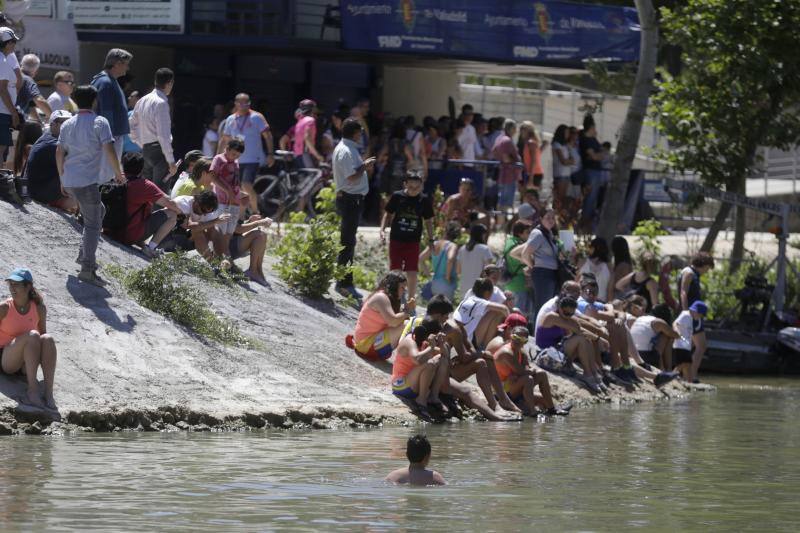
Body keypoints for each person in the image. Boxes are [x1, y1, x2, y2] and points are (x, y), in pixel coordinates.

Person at [55, 85, 125, 287]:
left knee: (98, 211)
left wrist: (62, 178)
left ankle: (83, 255)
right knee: (94, 225)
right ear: (94, 101)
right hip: (86, 182)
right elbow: (109, 149)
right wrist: (118, 173)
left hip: (70, 180)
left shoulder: (68, 123)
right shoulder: (100, 122)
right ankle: (87, 269)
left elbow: (59, 152)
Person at [0, 268, 58, 409]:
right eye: (10, 284)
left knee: (48, 339)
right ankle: (32, 391)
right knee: (32, 335)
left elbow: (43, 337)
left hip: (26, 365)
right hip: (6, 361)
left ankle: (49, 393)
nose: (12, 288)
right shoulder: (4, 307)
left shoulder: (39, 308)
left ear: (28, 287)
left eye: (16, 284)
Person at [332, 117, 376, 301]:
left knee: (348, 241)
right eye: (360, 132)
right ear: (356, 133)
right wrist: (364, 166)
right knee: (348, 242)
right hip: (350, 200)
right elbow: (351, 177)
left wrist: (363, 166)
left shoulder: (347, 148)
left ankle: (344, 281)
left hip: (352, 199)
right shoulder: (346, 150)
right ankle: (344, 283)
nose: (361, 135)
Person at [111, 152, 182, 257]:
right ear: (141, 169)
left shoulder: (116, 178)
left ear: (123, 165)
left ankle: (143, 244)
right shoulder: (145, 185)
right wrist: (181, 212)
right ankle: (150, 248)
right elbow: (171, 204)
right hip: (128, 235)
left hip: (110, 230)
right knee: (172, 214)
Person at [490, 326, 570, 416]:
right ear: (511, 336)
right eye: (515, 337)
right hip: (501, 392)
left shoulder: (522, 352)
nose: (517, 341)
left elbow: (526, 369)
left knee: (542, 374)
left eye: (522, 339)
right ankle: (533, 411)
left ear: (525, 341)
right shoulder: (506, 352)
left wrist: (528, 371)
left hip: (514, 386)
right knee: (528, 379)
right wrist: (529, 371)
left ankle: (552, 409)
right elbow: (522, 372)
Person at [380, 171, 435, 300]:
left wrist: (431, 239)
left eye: (417, 187)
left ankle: (411, 299)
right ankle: (395, 297)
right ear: (405, 184)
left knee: (412, 271)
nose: (414, 190)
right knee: (395, 270)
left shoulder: (424, 200)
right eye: (411, 187)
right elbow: (387, 214)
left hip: (413, 241)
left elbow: (428, 221)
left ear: (421, 186)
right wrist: (382, 230)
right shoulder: (397, 196)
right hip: (396, 239)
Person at [217, 93, 274, 214]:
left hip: (252, 159)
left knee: (246, 184)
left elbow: (268, 136)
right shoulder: (231, 119)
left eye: (247, 103)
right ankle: (241, 215)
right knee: (238, 189)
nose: (244, 106)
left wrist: (270, 154)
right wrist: (218, 157)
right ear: (236, 104)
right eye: (241, 103)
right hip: (235, 159)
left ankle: (255, 211)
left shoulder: (257, 117)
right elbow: (225, 139)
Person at [536, 295, 604, 393]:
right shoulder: (551, 316)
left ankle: (594, 373)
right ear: (559, 308)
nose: (567, 316)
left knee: (586, 339)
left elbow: (578, 326)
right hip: (546, 353)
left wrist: (597, 333)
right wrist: (598, 338)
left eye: (571, 314)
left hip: (557, 351)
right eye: (566, 313)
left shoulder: (567, 318)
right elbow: (579, 330)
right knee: (581, 338)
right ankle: (588, 374)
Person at [129, 68, 177, 191]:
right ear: (170, 83)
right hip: (159, 151)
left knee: (147, 192)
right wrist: (171, 161)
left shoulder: (142, 100)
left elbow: (131, 125)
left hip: (146, 150)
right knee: (159, 193)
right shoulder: (161, 103)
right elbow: (163, 135)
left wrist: (141, 143)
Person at [350, 272, 416, 361]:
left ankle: (408, 360)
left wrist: (406, 309)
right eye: (402, 288)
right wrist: (407, 311)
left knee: (408, 323)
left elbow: (394, 320)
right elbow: (393, 321)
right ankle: (406, 361)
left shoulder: (384, 297)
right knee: (407, 324)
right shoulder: (381, 297)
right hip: (365, 344)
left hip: (366, 342)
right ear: (394, 286)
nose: (404, 291)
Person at [391, 319, 449, 419]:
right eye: (436, 335)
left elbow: (445, 355)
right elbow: (416, 360)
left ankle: (433, 396)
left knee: (442, 360)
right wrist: (431, 347)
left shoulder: (424, 342)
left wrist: (441, 342)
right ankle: (421, 400)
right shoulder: (409, 341)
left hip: (413, 384)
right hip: (401, 386)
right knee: (430, 363)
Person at [91, 48, 132, 183]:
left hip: (110, 138)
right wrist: (109, 140)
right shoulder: (106, 82)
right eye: (126, 64)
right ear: (117, 64)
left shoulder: (107, 81)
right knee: (106, 177)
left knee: (107, 175)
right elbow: (106, 114)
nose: (127, 68)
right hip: (110, 138)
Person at [25, 110, 77, 213]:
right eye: (64, 123)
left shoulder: (49, 137)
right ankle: (59, 204)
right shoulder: (51, 144)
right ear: (53, 124)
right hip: (41, 195)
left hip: (39, 189)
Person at [512, 208, 561, 319]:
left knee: (548, 307)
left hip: (550, 274)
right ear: (541, 219)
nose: (551, 220)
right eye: (548, 218)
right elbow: (525, 254)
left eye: (553, 218)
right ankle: (537, 329)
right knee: (542, 307)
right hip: (543, 274)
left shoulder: (548, 233)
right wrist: (533, 266)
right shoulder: (537, 233)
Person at [678, 253, 714, 382]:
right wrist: (685, 312)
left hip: (693, 313)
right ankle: (691, 377)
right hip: (692, 314)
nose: (706, 271)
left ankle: (682, 374)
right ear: (703, 264)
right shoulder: (689, 273)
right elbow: (683, 292)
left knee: (690, 346)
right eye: (707, 268)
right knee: (701, 345)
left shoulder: (690, 272)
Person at [210, 138, 245, 263]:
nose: (235, 157)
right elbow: (213, 177)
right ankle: (219, 256)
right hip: (221, 201)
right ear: (227, 149)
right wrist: (227, 191)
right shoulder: (218, 159)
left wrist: (240, 194)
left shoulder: (235, 162)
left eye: (238, 156)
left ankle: (225, 256)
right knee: (220, 230)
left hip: (234, 202)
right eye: (233, 154)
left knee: (229, 232)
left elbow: (236, 181)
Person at [171, 191, 231, 260]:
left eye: (208, 212)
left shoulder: (206, 210)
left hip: (187, 238)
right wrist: (216, 221)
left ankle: (224, 260)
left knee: (214, 229)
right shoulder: (183, 203)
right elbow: (190, 226)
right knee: (198, 231)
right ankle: (212, 262)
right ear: (196, 200)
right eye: (203, 210)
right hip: (171, 236)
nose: (204, 214)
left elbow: (212, 230)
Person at [453, 278, 509, 351]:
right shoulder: (480, 302)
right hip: (467, 341)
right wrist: (511, 325)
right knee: (497, 313)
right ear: (487, 293)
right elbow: (504, 308)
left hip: (457, 337)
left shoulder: (469, 298)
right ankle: (485, 347)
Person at [631, 303, 681, 373]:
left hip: (632, 354)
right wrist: (675, 325)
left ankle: (664, 369)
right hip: (645, 356)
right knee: (667, 337)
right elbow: (676, 335)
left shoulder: (641, 318)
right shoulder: (658, 322)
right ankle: (667, 369)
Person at [419, 221, 461, 301]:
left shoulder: (435, 244)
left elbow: (420, 259)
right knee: (445, 308)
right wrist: (447, 277)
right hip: (447, 285)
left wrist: (428, 274)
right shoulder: (452, 246)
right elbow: (450, 259)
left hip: (435, 284)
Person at [229, 214, 273, 286]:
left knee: (263, 234)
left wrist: (249, 221)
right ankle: (252, 271)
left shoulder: (236, 208)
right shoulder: (231, 208)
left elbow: (234, 228)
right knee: (259, 235)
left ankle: (258, 271)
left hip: (232, 244)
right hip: (225, 248)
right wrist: (259, 222)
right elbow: (238, 229)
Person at [578, 114, 605, 231]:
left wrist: (599, 155)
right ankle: (584, 223)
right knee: (590, 197)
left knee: (594, 198)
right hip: (590, 171)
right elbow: (594, 156)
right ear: (591, 127)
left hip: (596, 170)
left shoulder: (594, 139)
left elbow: (601, 153)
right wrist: (599, 155)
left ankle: (588, 223)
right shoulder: (586, 140)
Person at [502, 219, 533, 319]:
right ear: (520, 233)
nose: (530, 235)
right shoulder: (516, 245)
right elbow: (526, 261)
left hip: (513, 284)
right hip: (519, 286)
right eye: (527, 232)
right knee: (519, 317)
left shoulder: (510, 241)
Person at [492, 119, 522, 219]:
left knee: (502, 201)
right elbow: (506, 158)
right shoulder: (506, 140)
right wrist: (513, 161)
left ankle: (501, 222)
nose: (516, 131)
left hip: (504, 174)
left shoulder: (499, 138)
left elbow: (494, 152)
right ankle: (501, 224)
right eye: (515, 128)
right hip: (509, 175)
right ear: (511, 128)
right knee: (505, 202)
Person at [456, 224, 494, 300]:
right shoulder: (485, 249)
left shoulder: (462, 249)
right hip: (480, 290)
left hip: (464, 289)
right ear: (482, 235)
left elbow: (458, 271)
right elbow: (489, 272)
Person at [673, 301, 708, 380]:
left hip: (686, 346)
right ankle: (672, 376)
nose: (701, 317)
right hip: (680, 345)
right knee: (683, 364)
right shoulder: (685, 315)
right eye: (700, 314)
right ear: (695, 311)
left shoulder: (691, 318)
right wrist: (677, 332)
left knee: (687, 364)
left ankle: (688, 381)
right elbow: (675, 323)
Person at [379, 120, 414, 193]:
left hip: (389, 173)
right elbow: (411, 160)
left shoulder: (389, 143)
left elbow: (379, 158)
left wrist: (384, 160)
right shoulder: (405, 145)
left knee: (387, 195)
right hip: (401, 173)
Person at [0, 27, 18, 162]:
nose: (14, 45)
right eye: (13, 42)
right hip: (2, 113)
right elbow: (2, 89)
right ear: (7, 43)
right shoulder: (2, 62)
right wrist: (14, 113)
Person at [16, 54, 51, 122]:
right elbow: (39, 100)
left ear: (21, 64)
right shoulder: (27, 80)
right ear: (36, 71)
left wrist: (38, 121)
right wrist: (54, 117)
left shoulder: (13, 75)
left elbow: (30, 105)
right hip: (13, 120)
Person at [579, 237, 614, 303]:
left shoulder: (582, 262)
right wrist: (610, 305)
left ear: (593, 248)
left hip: (583, 302)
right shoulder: (609, 267)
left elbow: (576, 284)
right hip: (601, 303)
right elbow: (610, 291)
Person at [292, 98, 323, 169]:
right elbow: (307, 139)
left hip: (297, 154)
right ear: (313, 109)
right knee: (313, 174)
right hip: (305, 154)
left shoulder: (300, 121)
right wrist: (317, 155)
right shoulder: (310, 120)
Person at [518, 121, 547, 189]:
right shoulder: (528, 142)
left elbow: (533, 161)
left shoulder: (531, 142)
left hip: (534, 174)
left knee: (530, 194)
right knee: (525, 194)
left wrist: (531, 179)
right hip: (531, 173)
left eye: (523, 128)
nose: (521, 131)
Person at [551, 124, 574, 209]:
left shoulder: (565, 145)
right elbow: (563, 161)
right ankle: (554, 214)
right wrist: (570, 161)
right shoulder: (556, 144)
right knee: (558, 198)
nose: (568, 135)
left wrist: (569, 161)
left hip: (566, 174)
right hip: (560, 174)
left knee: (563, 198)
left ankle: (559, 214)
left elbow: (571, 159)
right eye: (566, 132)